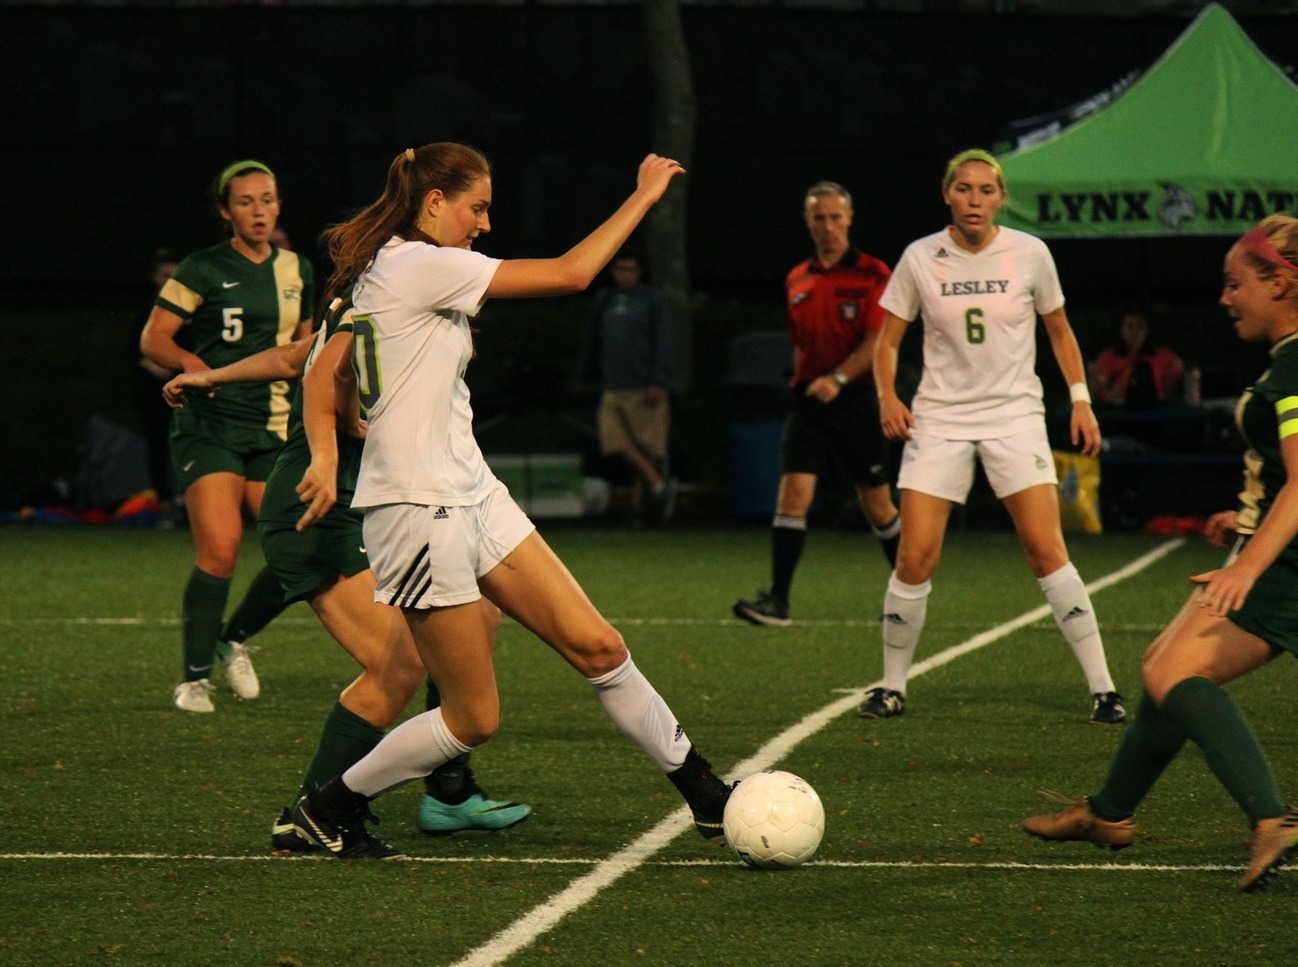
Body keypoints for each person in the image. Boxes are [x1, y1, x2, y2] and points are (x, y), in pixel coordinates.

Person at [286, 144, 731, 860]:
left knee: (600, 645)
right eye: (477, 207)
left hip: (471, 489)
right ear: (434, 202)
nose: (485, 223)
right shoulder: (416, 263)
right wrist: (645, 195)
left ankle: (708, 796)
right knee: (471, 718)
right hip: (418, 507)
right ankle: (327, 804)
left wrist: (337, 437)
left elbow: (321, 370)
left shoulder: (388, 268)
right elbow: (573, 273)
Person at [162, 293, 529, 848]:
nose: (480, 226)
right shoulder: (386, 294)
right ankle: (312, 814)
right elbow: (319, 377)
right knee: (398, 662)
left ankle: (448, 791)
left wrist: (213, 374)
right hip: (321, 507)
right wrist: (329, 453)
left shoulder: (375, 297)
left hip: (368, 505)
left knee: (479, 614)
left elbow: (294, 358)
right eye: (473, 210)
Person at [1023, 215, 1298, 892]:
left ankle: (1272, 817)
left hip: (1283, 563)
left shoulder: (1296, 365)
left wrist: (1247, 563)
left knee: (1173, 673)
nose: (1225, 298)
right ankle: (1110, 812)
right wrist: (1244, 516)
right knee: (1161, 670)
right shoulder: (1288, 357)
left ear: (1282, 282)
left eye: (1236, 284)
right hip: (1273, 546)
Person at [863, 149, 1124, 725]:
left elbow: (1060, 331)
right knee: (915, 555)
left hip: (1014, 416)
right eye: (964, 189)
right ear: (947, 195)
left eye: (986, 190)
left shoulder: (1031, 253)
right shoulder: (919, 257)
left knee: (1046, 550)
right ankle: (891, 687)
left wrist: (1082, 401)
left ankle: (1104, 689)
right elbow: (887, 342)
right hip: (941, 419)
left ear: (1001, 198)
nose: (975, 199)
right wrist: (888, 396)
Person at [141, 159, 315, 713]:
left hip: (272, 426)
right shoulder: (201, 268)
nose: (258, 210)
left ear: (280, 206)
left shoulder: (299, 270)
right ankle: (192, 681)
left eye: (267, 199)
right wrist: (190, 363)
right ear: (225, 212)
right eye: (245, 202)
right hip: (210, 423)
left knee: (298, 549)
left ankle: (230, 638)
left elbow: (307, 351)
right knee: (220, 549)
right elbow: (154, 338)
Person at [732, 181, 901, 627]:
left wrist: (840, 378)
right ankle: (778, 601)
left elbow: (877, 339)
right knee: (792, 495)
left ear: (849, 219)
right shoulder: (797, 278)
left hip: (857, 401)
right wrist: (803, 381)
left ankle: (909, 591)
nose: (828, 226)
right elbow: (800, 344)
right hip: (809, 403)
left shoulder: (874, 273)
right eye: (819, 218)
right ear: (808, 223)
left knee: (878, 506)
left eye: (835, 217)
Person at [575, 251, 677, 524]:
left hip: (643, 386)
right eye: (621, 269)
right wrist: (586, 372)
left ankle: (642, 509)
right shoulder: (606, 299)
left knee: (647, 450)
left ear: (639, 272)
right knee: (615, 442)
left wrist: (660, 381)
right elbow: (593, 340)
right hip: (613, 386)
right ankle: (658, 485)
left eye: (631, 269)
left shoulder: (652, 300)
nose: (626, 274)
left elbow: (664, 342)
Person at [130, 248, 182, 518]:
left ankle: (189, 500)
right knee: (158, 443)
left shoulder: (188, 312)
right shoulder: (148, 311)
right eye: (165, 275)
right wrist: (153, 364)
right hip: (153, 390)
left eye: (175, 276)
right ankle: (163, 501)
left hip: (183, 388)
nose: (168, 281)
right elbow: (134, 352)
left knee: (185, 442)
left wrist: (178, 366)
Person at [1092, 310, 1185, 407]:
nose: (1135, 332)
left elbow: (1179, 376)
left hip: (1156, 411)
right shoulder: (1107, 357)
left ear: (1146, 331)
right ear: (1122, 330)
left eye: (1140, 326)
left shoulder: (1164, 356)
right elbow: (1101, 388)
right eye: (1130, 326)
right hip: (1119, 411)